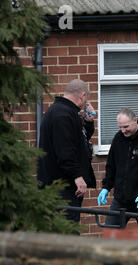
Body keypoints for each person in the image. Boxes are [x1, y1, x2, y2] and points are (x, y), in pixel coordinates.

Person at [37, 79, 97, 223]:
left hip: (62, 184)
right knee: (67, 230)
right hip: (62, 187)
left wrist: (88, 122)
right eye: (86, 99)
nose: (85, 103)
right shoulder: (62, 115)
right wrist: (77, 176)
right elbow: (65, 150)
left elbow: (77, 141)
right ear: (82, 95)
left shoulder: (65, 111)